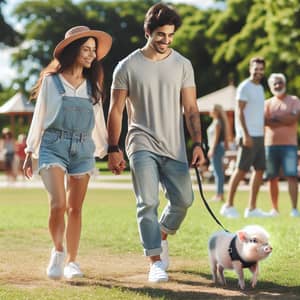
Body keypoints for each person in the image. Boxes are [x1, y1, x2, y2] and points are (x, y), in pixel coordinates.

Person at [107, 2, 205, 283]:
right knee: (147, 201)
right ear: (148, 31)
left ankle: (160, 235)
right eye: (161, 34)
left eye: (171, 35)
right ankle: (155, 261)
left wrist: (197, 143)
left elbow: (191, 108)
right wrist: (113, 148)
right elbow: (115, 110)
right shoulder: (126, 66)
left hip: (173, 145)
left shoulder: (183, 64)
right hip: (141, 142)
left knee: (184, 200)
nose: (166, 41)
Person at [23, 26, 111, 279]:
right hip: (53, 146)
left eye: (93, 50)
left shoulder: (93, 86)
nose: (91, 55)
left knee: (75, 208)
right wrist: (30, 150)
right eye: (86, 49)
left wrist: (108, 150)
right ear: (73, 50)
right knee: (58, 204)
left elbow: (99, 121)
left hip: (83, 148)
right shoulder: (51, 81)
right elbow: (39, 117)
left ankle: (72, 262)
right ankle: (58, 251)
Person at [220, 57, 268, 218]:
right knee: (241, 170)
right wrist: (245, 135)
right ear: (250, 68)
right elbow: (239, 112)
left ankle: (252, 208)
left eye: (261, 69)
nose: (258, 72)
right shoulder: (244, 87)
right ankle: (228, 205)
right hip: (248, 136)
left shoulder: (260, 88)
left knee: (260, 170)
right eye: (256, 68)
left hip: (259, 136)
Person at [264, 73, 300, 217]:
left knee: (292, 176)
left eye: (280, 82)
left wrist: (274, 118)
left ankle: (294, 209)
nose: (278, 85)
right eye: (275, 83)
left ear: (284, 83)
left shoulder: (294, 100)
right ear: (271, 87)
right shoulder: (267, 103)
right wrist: (285, 118)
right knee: (272, 177)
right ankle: (274, 209)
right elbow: (264, 121)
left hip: (289, 145)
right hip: (269, 145)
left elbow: (294, 118)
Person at [207, 104, 230, 202]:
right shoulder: (217, 122)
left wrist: (212, 149)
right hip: (217, 148)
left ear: (216, 112)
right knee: (218, 172)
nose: (210, 112)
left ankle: (219, 195)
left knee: (218, 172)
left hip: (216, 148)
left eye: (212, 110)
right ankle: (220, 194)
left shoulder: (217, 123)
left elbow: (215, 138)